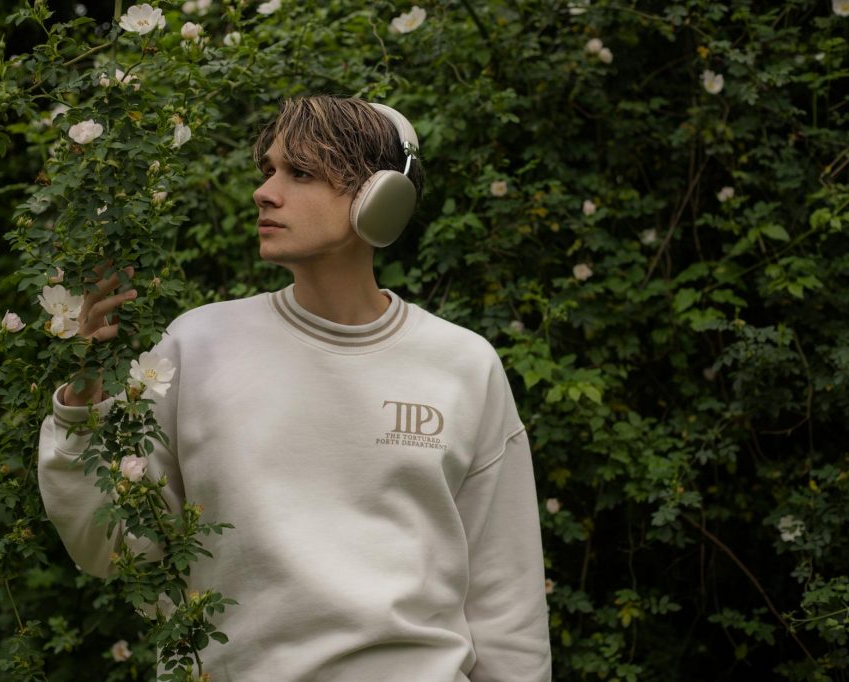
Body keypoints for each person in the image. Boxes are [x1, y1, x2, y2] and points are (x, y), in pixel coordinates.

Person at [38, 95, 553, 681]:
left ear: (380, 198)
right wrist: (84, 408)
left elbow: (507, 605)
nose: (264, 191)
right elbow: (109, 547)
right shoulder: (196, 345)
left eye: (300, 173)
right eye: (269, 170)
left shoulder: (462, 365)